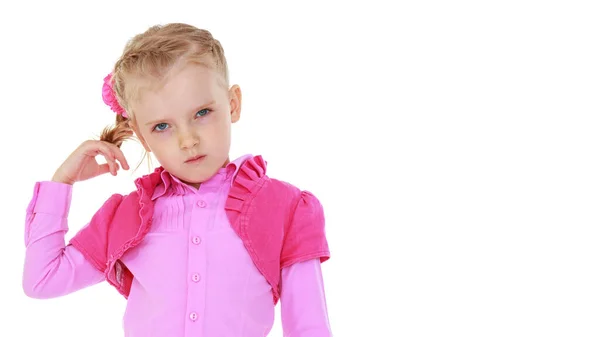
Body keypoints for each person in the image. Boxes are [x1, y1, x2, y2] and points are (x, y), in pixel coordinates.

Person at [22, 22, 332, 337]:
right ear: (141, 134)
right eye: (162, 126)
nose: (188, 140)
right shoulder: (127, 217)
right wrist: (62, 182)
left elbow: (309, 328)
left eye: (202, 113)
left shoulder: (287, 208)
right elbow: (42, 280)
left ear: (233, 104)